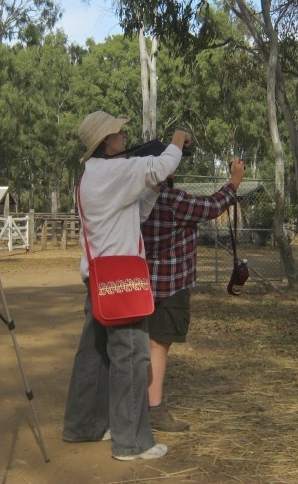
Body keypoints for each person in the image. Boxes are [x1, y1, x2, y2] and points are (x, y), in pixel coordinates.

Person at [62, 110, 191, 461]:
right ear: (107, 141)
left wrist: (153, 190)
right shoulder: (114, 170)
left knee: (94, 353)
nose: (123, 136)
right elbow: (158, 167)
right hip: (122, 280)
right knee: (132, 354)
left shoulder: (93, 175)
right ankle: (132, 442)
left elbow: (138, 212)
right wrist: (177, 140)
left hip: (98, 277)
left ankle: (83, 425)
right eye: (118, 133)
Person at [141, 158, 246, 431]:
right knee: (158, 346)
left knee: (137, 345)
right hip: (171, 284)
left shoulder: (136, 198)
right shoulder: (173, 200)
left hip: (140, 283)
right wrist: (234, 182)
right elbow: (211, 207)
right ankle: (153, 408)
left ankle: (131, 402)